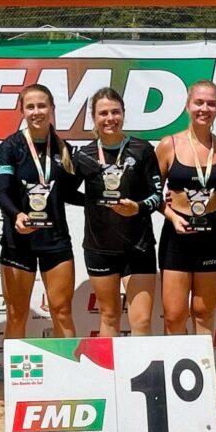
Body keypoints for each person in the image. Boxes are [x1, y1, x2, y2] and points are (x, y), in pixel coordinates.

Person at [0, 84, 84, 339]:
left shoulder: (63, 147)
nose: (37, 112)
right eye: (30, 106)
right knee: (16, 314)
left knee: (63, 311)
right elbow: (3, 192)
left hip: (55, 241)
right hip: (18, 241)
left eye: (42, 105)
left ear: (52, 109)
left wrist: (95, 202)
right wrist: (16, 215)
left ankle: (68, 375)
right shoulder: (10, 147)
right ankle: (13, 379)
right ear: (21, 110)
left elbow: (66, 193)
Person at [74, 87, 162, 336]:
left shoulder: (142, 149)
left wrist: (138, 208)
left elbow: (157, 196)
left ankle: (139, 375)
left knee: (142, 321)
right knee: (109, 317)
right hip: (99, 247)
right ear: (94, 117)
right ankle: (108, 376)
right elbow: (67, 192)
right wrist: (94, 203)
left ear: (123, 113)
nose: (110, 118)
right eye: (103, 113)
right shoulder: (85, 155)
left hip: (139, 247)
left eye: (115, 112)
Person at [155, 80, 216, 335]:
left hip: (211, 237)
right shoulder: (170, 144)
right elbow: (152, 192)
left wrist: (207, 209)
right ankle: (176, 372)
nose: (204, 108)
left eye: (211, 103)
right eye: (199, 102)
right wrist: (172, 215)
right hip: (176, 237)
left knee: (203, 312)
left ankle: (204, 372)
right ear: (187, 105)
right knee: (174, 316)